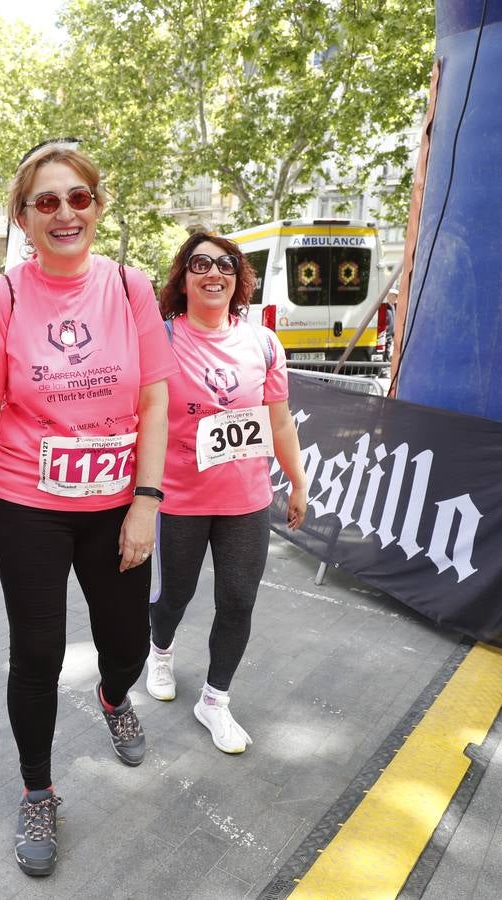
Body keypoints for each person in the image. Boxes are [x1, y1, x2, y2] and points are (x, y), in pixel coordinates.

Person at [0, 143, 176, 877]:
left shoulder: (132, 288)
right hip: (28, 506)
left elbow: (154, 400)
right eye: (47, 202)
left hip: (117, 506)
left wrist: (145, 503)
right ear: (23, 218)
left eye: (78, 198)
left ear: (98, 207)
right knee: (38, 653)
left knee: (128, 646)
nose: (65, 213)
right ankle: (38, 789)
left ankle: (114, 698)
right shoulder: (2, 299)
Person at [144, 232, 309, 753]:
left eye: (226, 265)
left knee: (237, 601)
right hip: (182, 499)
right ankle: (161, 650)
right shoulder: (162, 338)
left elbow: (279, 421)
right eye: (200, 264)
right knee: (176, 595)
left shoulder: (262, 341)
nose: (213, 274)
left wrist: (297, 480)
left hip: (246, 500)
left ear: (238, 279)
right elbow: (140, 416)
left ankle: (215, 700)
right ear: (183, 278)